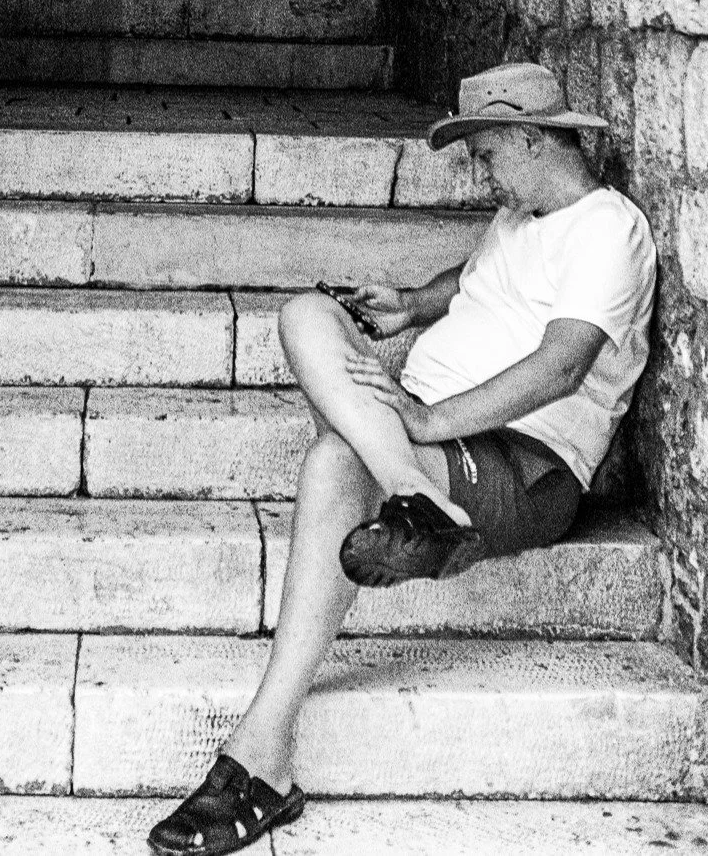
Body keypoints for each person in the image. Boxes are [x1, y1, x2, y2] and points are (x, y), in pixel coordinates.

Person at [147, 62, 657, 855]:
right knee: (307, 313)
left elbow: (563, 361)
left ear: (530, 137)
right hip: (427, 439)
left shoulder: (607, 229)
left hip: (523, 463)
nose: (477, 171)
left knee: (328, 463)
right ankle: (411, 496)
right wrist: (414, 304)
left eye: (485, 152)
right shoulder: (523, 215)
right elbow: (483, 282)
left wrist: (428, 416)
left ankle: (261, 756)